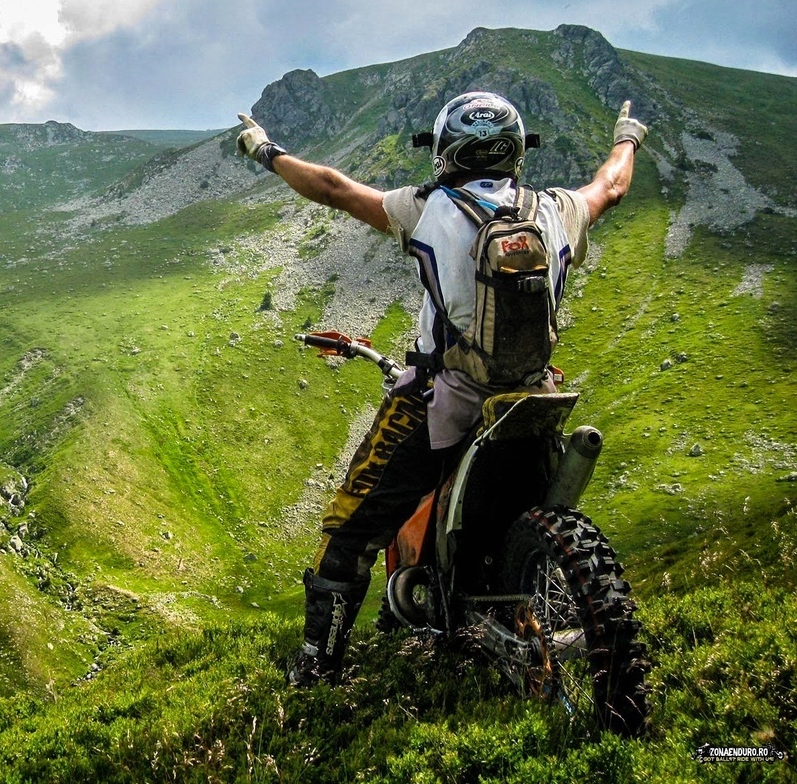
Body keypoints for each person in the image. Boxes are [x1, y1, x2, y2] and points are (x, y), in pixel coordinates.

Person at [234, 91, 648, 687]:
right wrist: (628, 135)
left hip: (445, 400)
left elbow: (331, 187)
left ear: (446, 151)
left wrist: (266, 150)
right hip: (532, 398)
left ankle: (317, 668)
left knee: (348, 530)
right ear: (515, 151)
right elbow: (611, 185)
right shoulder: (556, 209)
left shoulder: (429, 208)